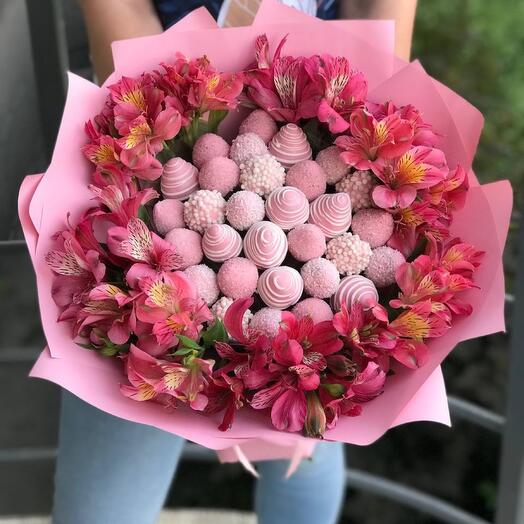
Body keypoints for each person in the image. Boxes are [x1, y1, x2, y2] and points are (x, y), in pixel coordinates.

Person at [52, 2, 417, 523]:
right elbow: (123, 19)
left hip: (325, 139)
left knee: (307, 440)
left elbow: (377, 17)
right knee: (105, 495)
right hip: (161, 166)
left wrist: (370, 127)